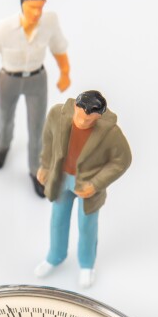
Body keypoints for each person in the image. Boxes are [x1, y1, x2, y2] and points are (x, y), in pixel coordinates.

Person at [0, 0, 70, 197]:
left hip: (37, 79)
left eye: (40, 8)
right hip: (10, 79)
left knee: (38, 127)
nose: (37, 13)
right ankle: (3, 145)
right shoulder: (2, 29)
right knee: (5, 117)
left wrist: (65, 72)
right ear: (22, 6)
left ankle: (36, 170)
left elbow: (59, 47)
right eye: (32, 8)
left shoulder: (50, 22)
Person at [33, 90, 131, 288]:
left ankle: (87, 264)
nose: (83, 123)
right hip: (61, 178)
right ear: (76, 107)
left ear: (98, 117)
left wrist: (96, 183)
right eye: (80, 116)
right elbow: (48, 140)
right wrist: (45, 165)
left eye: (89, 121)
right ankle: (55, 256)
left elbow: (122, 160)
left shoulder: (111, 133)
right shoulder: (57, 115)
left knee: (87, 226)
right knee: (57, 219)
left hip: (87, 186)